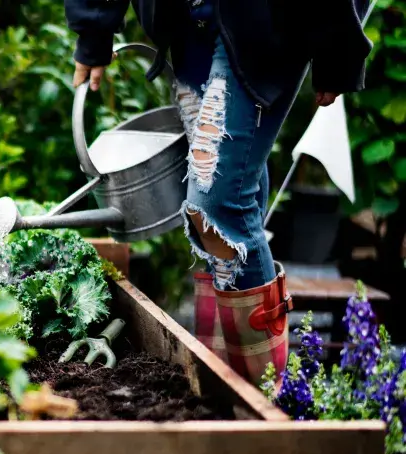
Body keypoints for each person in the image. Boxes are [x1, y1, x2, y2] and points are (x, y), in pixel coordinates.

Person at [64, 0, 372, 384]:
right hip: (185, 18)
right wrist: (95, 24)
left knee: (216, 205)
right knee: (236, 187)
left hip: (267, 21)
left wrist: (335, 41)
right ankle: (222, 378)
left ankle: (265, 399)